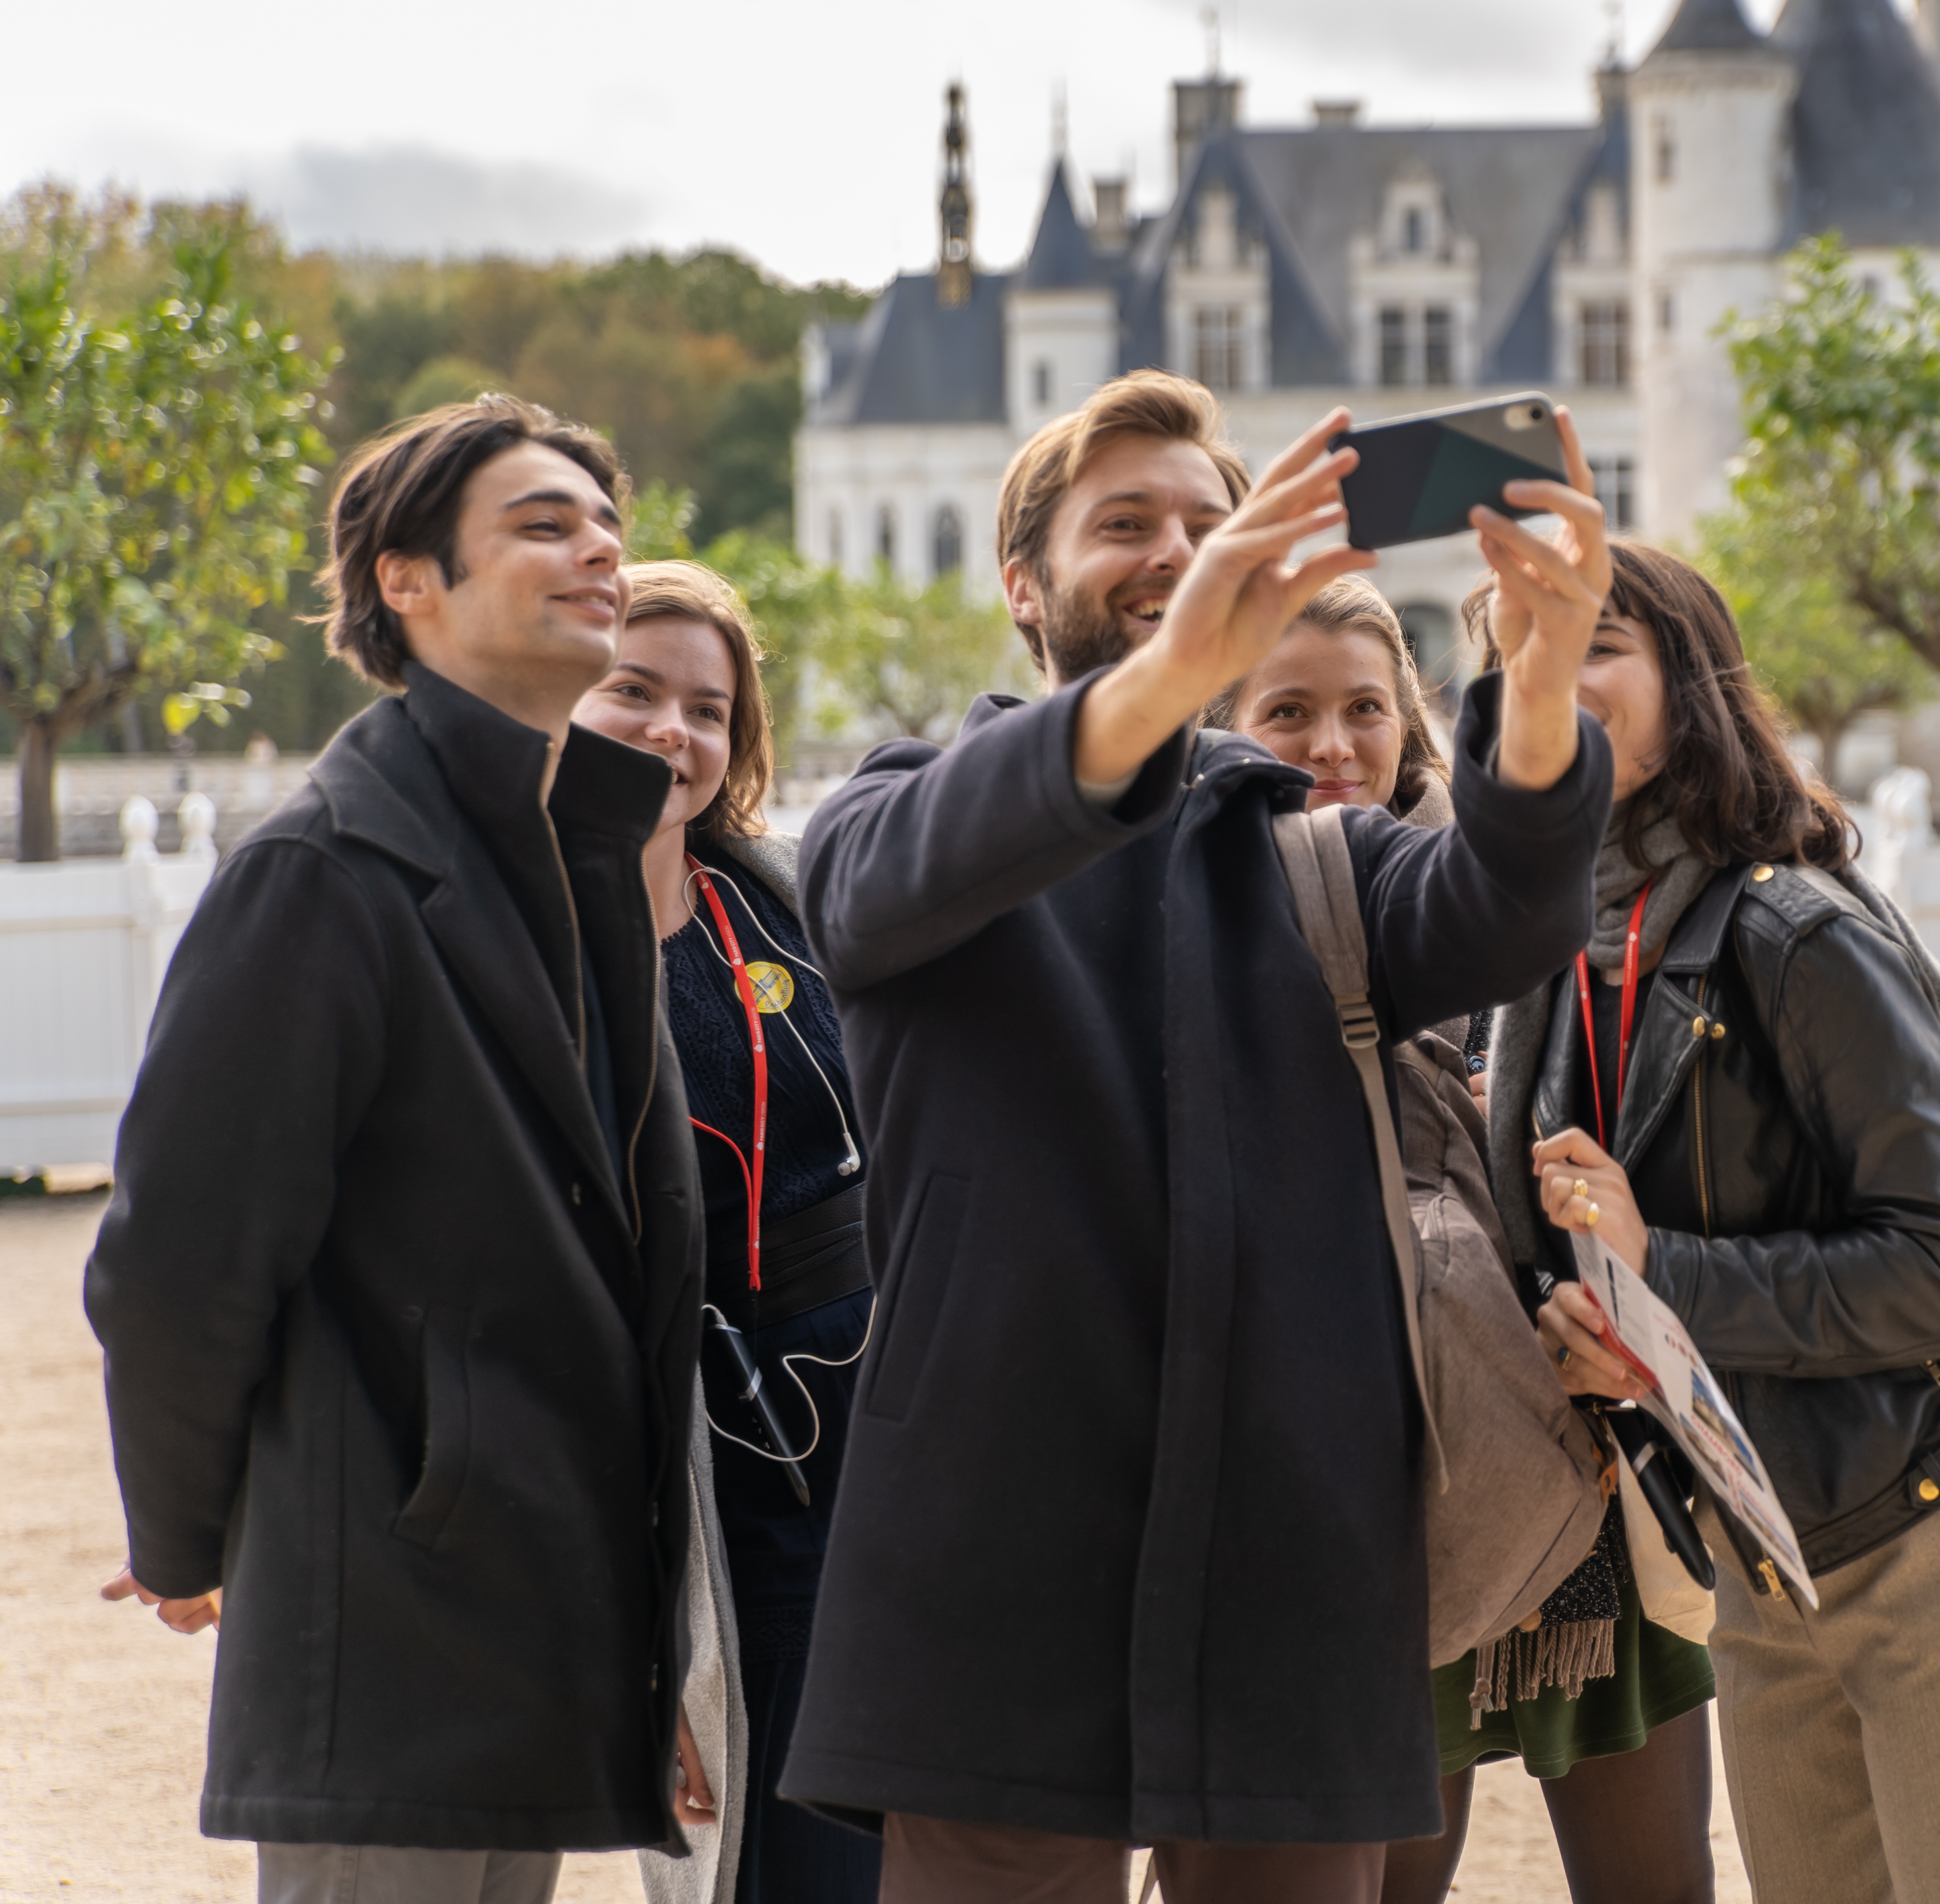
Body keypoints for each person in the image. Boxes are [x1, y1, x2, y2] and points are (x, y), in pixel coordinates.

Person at [782, 370, 1615, 1904]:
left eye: (1209, 521)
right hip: (994, 1560)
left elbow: (1505, 918)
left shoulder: (1313, 853)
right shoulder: (895, 812)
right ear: (1025, 587)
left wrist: (1544, 675)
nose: (1177, 547)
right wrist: (1179, 667)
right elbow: (885, 886)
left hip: (1293, 1563)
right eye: (1127, 525)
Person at [86, 397, 712, 1904]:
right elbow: (179, 1260)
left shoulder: (574, 851)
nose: (599, 550)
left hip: (535, 1618)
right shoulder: (320, 873)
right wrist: (185, 1538)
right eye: (543, 525)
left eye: (604, 522)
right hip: (390, 1627)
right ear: (405, 583)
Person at [1484, 542, 1940, 1904]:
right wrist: (1596, 1334)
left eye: (1594, 643)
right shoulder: (1547, 952)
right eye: (1518, 650)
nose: (1549, 675)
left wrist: (1668, 1276)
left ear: (1687, 684)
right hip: (1765, 1567)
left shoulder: (1798, 937)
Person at [1207, 583, 1721, 1904]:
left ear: (1412, 722)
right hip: (1376, 1503)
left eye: (1364, 708)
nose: (1332, 743)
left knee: (1657, 1880)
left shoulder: (1501, 891)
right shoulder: (1195, 929)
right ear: (1220, 729)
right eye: (1288, 711)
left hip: (1571, 1464)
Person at [573, 562, 883, 1904]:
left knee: (869, 1815)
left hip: (863, 1415)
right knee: (733, 1834)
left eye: (707, 708)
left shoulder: (791, 905)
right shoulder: (503, 942)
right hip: (671, 1443)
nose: (670, 732)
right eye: (630, 690)